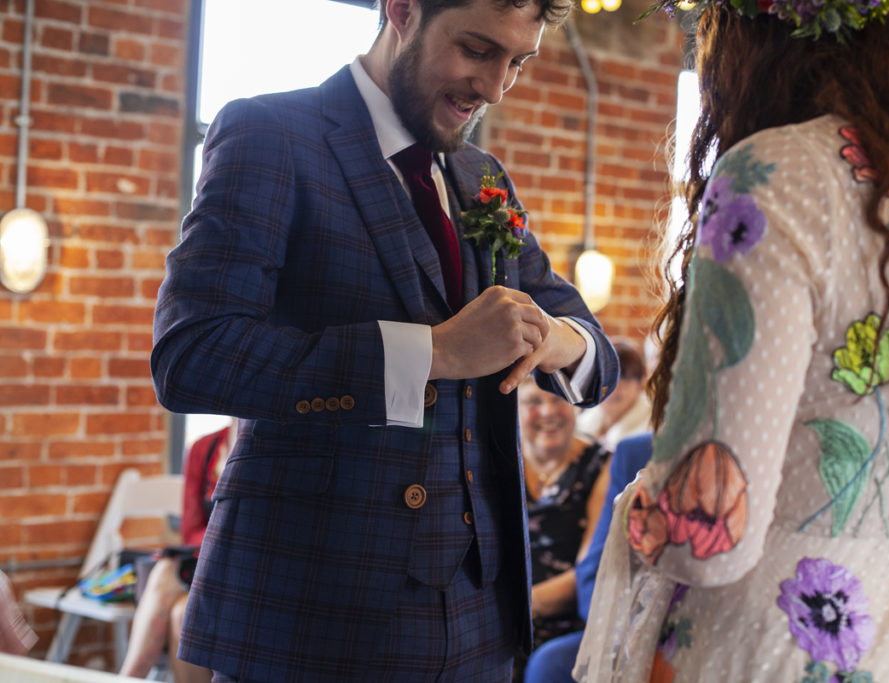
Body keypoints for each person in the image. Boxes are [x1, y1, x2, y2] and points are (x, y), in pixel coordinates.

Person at [149, 0, 619, 677]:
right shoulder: (269, 133)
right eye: (477, 49)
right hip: (312, 615)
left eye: (517, 62)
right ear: (401, 9)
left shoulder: (482, 177)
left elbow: (595, 353)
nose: (493, 87)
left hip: (481, 624)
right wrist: (434, 354)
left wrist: (554, 338)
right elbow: (192, 356)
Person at [575, 1, 889, 681]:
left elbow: (711, 539)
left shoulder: (775, 176)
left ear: (760, 38)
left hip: (781, 647)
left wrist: (644, 504)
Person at [522, 432, 651, 683]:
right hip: (622, 620)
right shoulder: (635, 451)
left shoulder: (598, 462)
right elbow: (595, 567)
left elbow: (582, 570)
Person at [119, 422, 235, 682]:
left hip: (239, 571)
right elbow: (190, 529)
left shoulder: (269, 450)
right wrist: (218, 540)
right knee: (167, 576)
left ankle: (128, 677)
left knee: (183, 615)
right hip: (204, 564)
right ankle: (130, 676)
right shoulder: (204, 448)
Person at [518, 377, 611, 656]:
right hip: (498, 615)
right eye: (534, 401)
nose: (547, 411)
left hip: (563, 623)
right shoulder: (497, 461)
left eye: (558, 399)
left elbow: (590, 571)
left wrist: (518, 608)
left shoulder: (603, 466)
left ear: (576, 406)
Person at [576, 337, 652, 451]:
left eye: (624, 378)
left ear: (640, 383)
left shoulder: (651, 431)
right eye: (605, 378)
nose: (613, 388)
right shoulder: (582, 424)